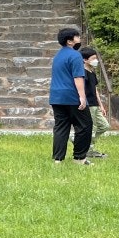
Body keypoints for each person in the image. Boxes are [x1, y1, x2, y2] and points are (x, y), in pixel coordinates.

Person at [49, 27, 93, 166]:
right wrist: (82, 97)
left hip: (56, 96)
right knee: (85, 126)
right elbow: (78, 77)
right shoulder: (75, 55)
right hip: (72, 96)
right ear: (70, 41)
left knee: (61, 127)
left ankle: (58, 159)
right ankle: (79, 158)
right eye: (77, 37)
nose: (79, 39)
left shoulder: (57, 56)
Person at [80, 46, 110, 158]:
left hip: (95, 104)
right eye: (93, 58)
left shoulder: (92, 72)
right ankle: (88, 150)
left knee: (104, 126)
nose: (95, 60)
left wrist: (101, 105)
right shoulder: (82, 73)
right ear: (85, 60)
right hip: (88, 104)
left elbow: (95, 89)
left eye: (95, 58)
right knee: (92, 128)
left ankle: (80, 140)